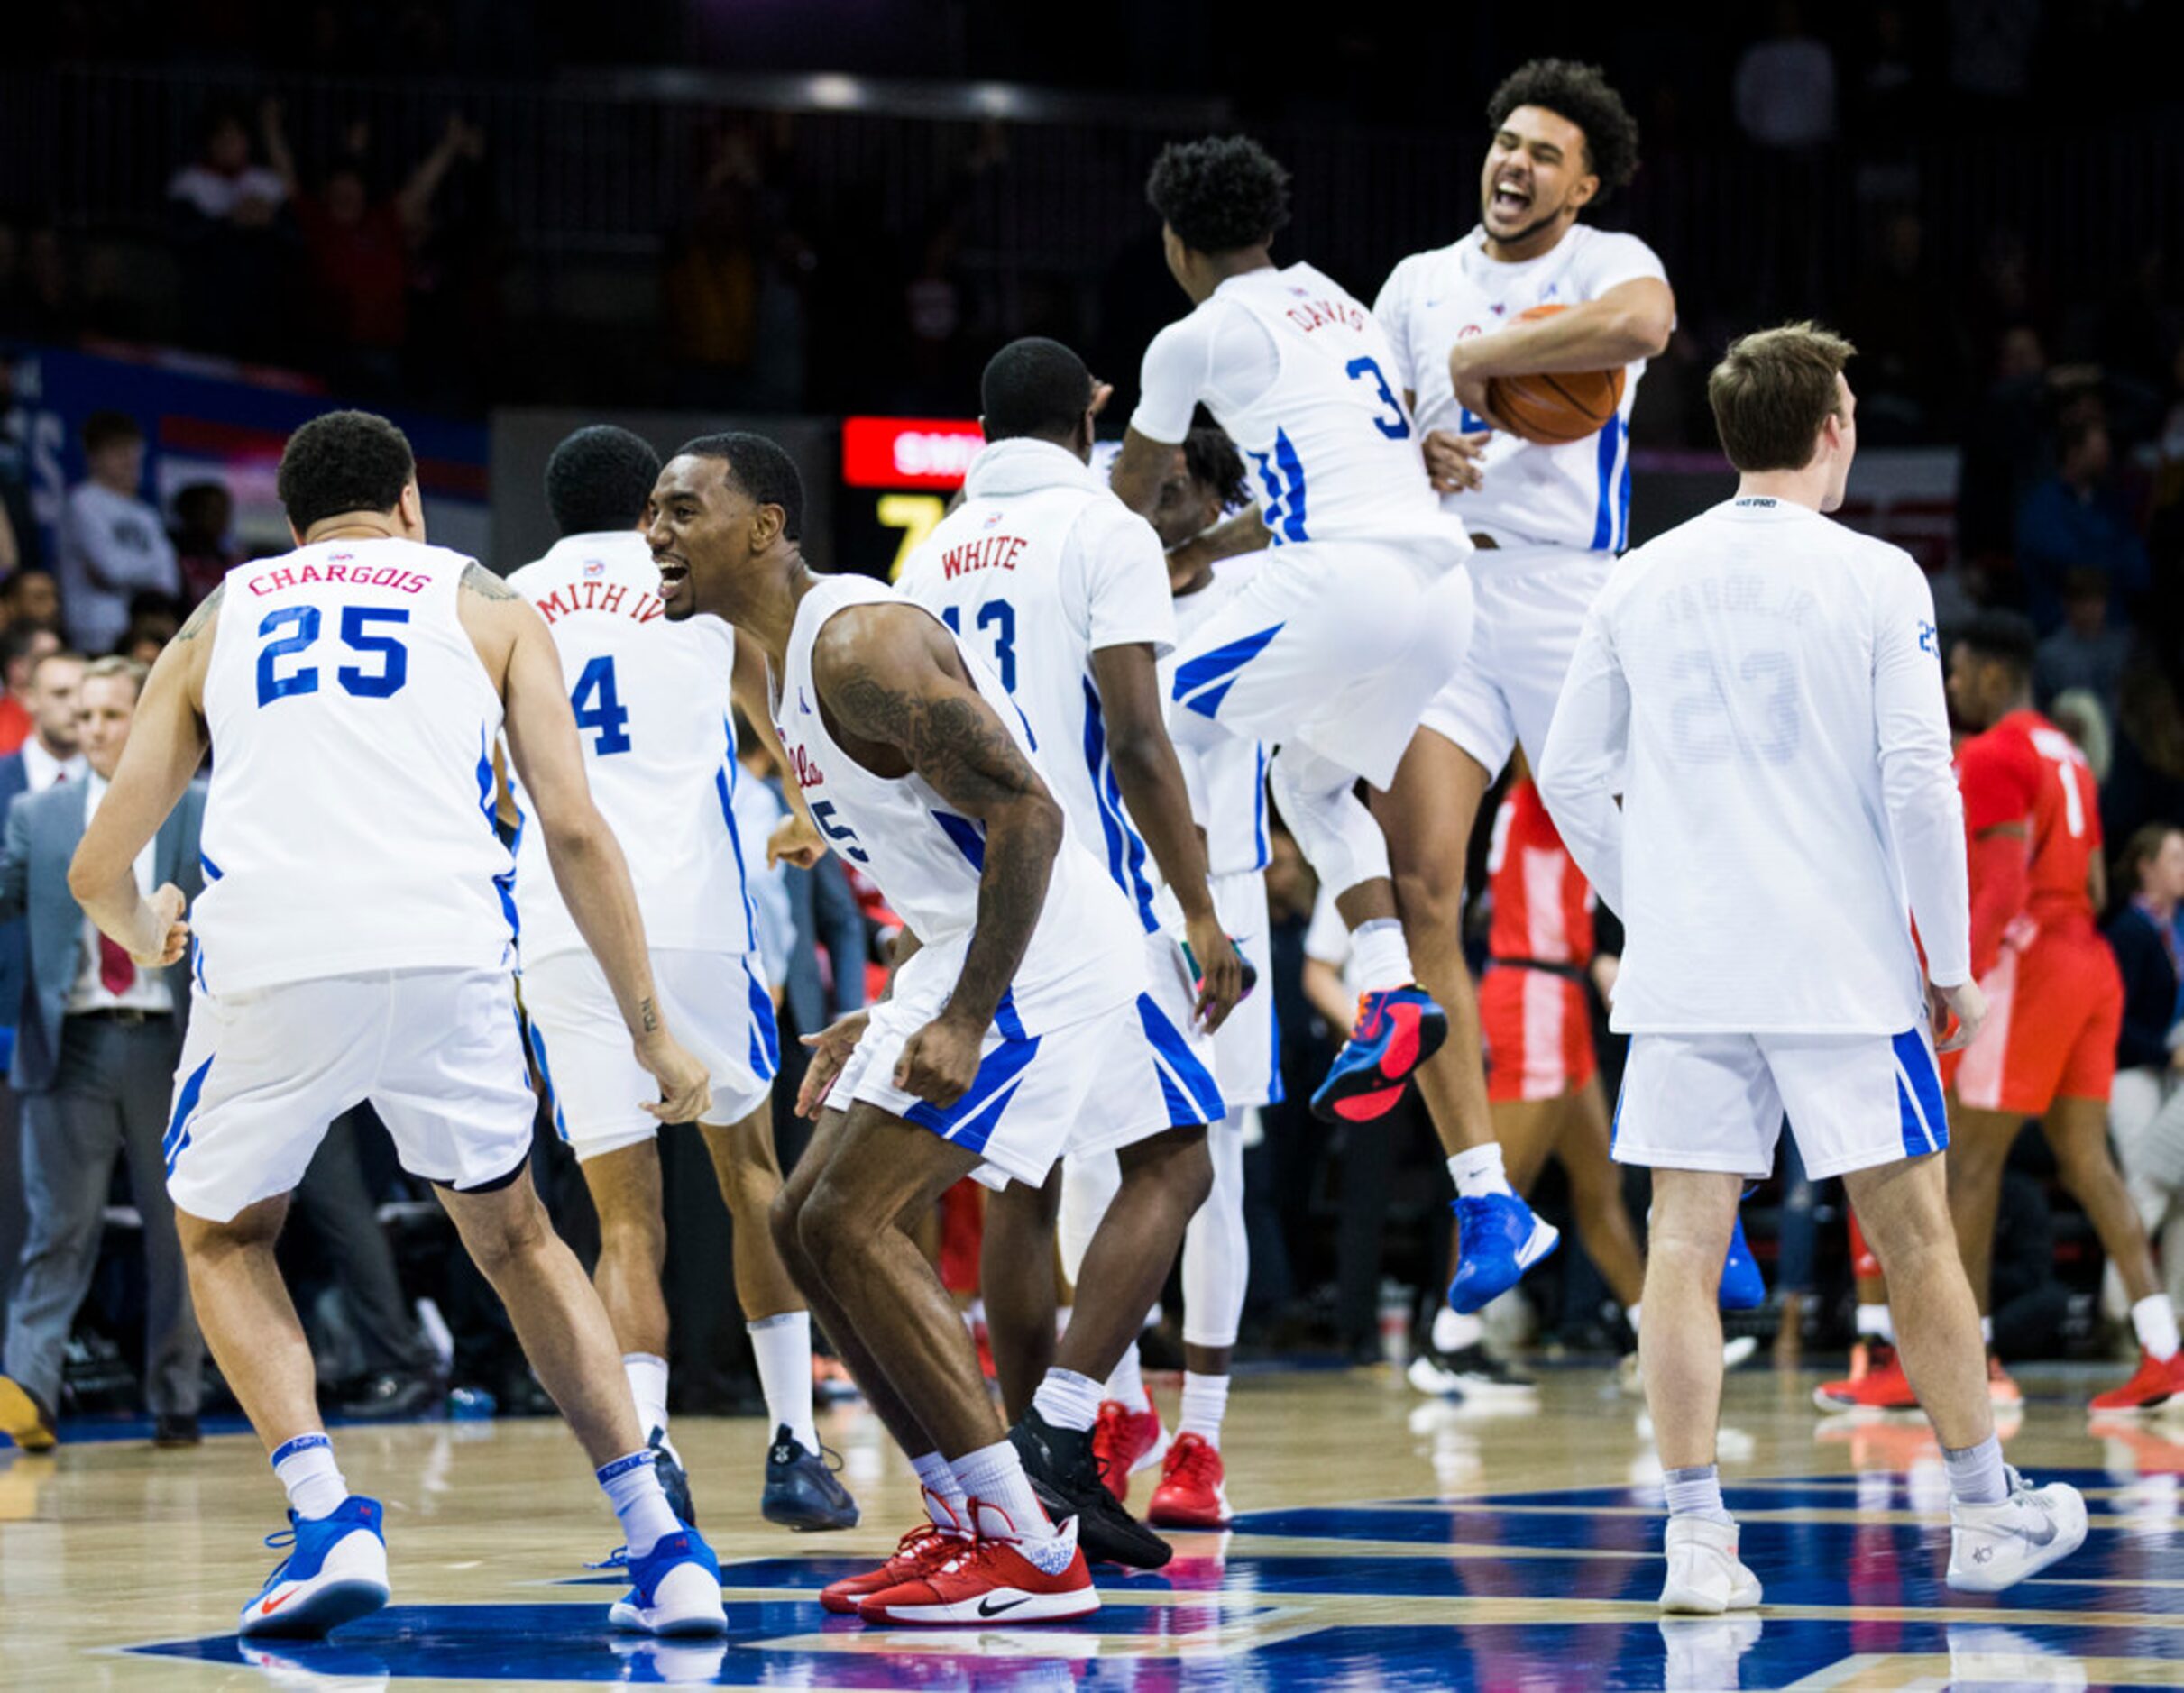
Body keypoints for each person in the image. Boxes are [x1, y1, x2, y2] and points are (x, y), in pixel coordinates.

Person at [66, 409, 725, 1639]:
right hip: (446, 946)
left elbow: (99, 863)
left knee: (221, 1234)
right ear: (412, 503)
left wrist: (146, 916)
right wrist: (650, 1030)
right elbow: (575, 831)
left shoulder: (223, 610)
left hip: (272, 952)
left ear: (291, 520)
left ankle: (324, 1515)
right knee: (520, 1238)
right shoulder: (484, 598)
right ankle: (660, 1538)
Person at [1537, 322, 2085, 1605]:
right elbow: (1916, 776)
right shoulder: (1877, 573)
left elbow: (1566, 775)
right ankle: (1984, 1512)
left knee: (1680, 1245)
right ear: (1830, 429)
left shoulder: (1636, 575)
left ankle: (1691, 1538)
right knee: (1913, 1235)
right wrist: (1947, 959)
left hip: (1689, 966)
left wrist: (1651, 906)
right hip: (1838, 964)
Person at [649, 429, 1147, 1624]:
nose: (654, 532)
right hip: (956, 949)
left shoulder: (856, 642)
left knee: (851, 1217)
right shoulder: (763, 668)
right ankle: (962, 1513)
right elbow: (940, 856)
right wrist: (893, 1003)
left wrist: (967, 1012)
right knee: (799, 1220)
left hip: (1039, 954)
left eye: (679, 508)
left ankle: (1031, 1544)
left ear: (763, 527)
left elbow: (1028, 813)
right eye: (649, 513)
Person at [1105, 135, 1556, 1315]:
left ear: (1174, 240)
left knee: (1134, 717)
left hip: (1343, 588)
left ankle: (1161, 938)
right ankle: (1399, 1005)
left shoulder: (1189, 334)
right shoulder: (1336, 303)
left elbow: (1115, 509)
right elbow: (1350, 468)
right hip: (1437, 594)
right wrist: (1210, 544)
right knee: (1310, 786)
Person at [889, 340, 1238, 1565]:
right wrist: (1200, 907)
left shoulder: (927, 553)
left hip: (985, 893)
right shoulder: (1105, 530)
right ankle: (1056, 1430)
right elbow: (1138, 739)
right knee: (1179, 1162)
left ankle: (1045, 1482)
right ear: (1092, 416)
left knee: (1021, 1179)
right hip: (1086, 893)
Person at [1370, 58, 1675, 1348]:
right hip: (1447, 589)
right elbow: (1363, 430)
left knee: (1645, 885)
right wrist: (1411, 449)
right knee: (1420, 885)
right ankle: (1488, 1199)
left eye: (1545, 152)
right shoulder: (1411, 281)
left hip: (1568, 601)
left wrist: (1488, 357)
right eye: (1504, 142)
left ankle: (1718, 1165)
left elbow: (1643, 328)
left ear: (1583, 181)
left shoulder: (1611, 255)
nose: (1516, 164)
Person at [506, 424, 854, 1535]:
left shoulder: (503, 598)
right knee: (752, 1178)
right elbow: (778, 711)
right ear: (648, 505)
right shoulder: (686, 578)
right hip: (696, 915)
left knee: (623, 1220)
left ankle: (649, 1451)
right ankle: (795, 1443)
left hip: (561, 922)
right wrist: (808, 817)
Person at [1060, 425, 1278, 1528]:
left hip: (1220, 898)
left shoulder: (1256, 601)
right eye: (1137, 481)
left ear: (1212, 498)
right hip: (1104, 897)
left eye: (1174, 486)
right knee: (1088, 1157)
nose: (1148, 499)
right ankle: (1115, 1401)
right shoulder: (1095, 589)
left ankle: (1202, 1439)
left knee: (1215, 1172)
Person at [1941, 610, 2184, 1412]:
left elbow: (2005, 887)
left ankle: (1974, 1361)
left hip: (2036, 962)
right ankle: (2162, 1351)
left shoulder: (1993, 751)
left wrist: (1957, 978)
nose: (1951, 682)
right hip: (2091, 962)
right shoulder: (2067, 748)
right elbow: (2098, 888)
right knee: (2089, 1161)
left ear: (1992, 672)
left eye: (1960, 668)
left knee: (1970, 1164)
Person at [0, 657, 205, 1454]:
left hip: (170, 1042)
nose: (94, 731)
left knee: (181, 1228)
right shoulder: (38, 816)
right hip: (73, 1040)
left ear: (145, 717)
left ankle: (179, 1398)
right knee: (58, 1227)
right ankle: (30, 1395)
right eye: (83, 718)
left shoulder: (198, 806)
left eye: (112, 716)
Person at [2106, 824, 2184, 1314]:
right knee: (2148, 1187)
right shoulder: (2129, 931)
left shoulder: (2173, 928)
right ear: (2145, 866)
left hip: (2167, 1074)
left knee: (2176, 1193)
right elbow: (2112, 1021)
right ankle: (2120, 1312)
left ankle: (2174, 1313)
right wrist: (2165, 1053)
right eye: (2175, 858)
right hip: (2129, 1072)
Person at [0, 649, 87, 1075]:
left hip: (97, 1011)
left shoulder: (124, 791)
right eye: (61, 693)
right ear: (29, 698)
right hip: (9, 1005)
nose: (76, 705)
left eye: (83, 693)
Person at [60, 413, 181, 658]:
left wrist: (124, 574)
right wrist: (148, 570)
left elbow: (169, 580)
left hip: (142, 635)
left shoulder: (146, 514)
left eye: (133, 449)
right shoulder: (83, 502)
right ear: (93, 456)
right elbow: (112, 568)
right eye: (117, 450)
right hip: (95, 635)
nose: (129, 459)